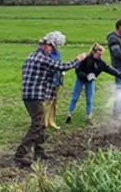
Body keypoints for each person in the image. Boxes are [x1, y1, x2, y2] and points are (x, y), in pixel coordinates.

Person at [15, 34, 86, 167]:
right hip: (35, 95)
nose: (52, 51)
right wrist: (78, 59)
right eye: (52, 48)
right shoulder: (42, 58)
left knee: (41, 123)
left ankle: (39, 152)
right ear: (47, 46)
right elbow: (62, 66)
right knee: (37, 124)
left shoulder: (31, 56)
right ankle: (21, 154)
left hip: (28, 94)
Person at [66, 43, 121, 124]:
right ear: (93, 52)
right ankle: (69, 115)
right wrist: (86, 76)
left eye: (101, 54)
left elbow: (110, 69)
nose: (100, 56)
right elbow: (77, 70)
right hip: (80, 80)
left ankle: (89, 117)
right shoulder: (86, 59)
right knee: (75, 97)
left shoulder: (101, 63)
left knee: (89, 99)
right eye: (99, 54)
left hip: (90, 82)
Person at [43, 31, 66, 130]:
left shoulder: (57, 52)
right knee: (47, 102)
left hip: (57, 79)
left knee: (54, 102)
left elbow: (59, 63)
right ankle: (44, 122)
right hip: (49, 80)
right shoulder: (47, 52)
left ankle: (51, 121)